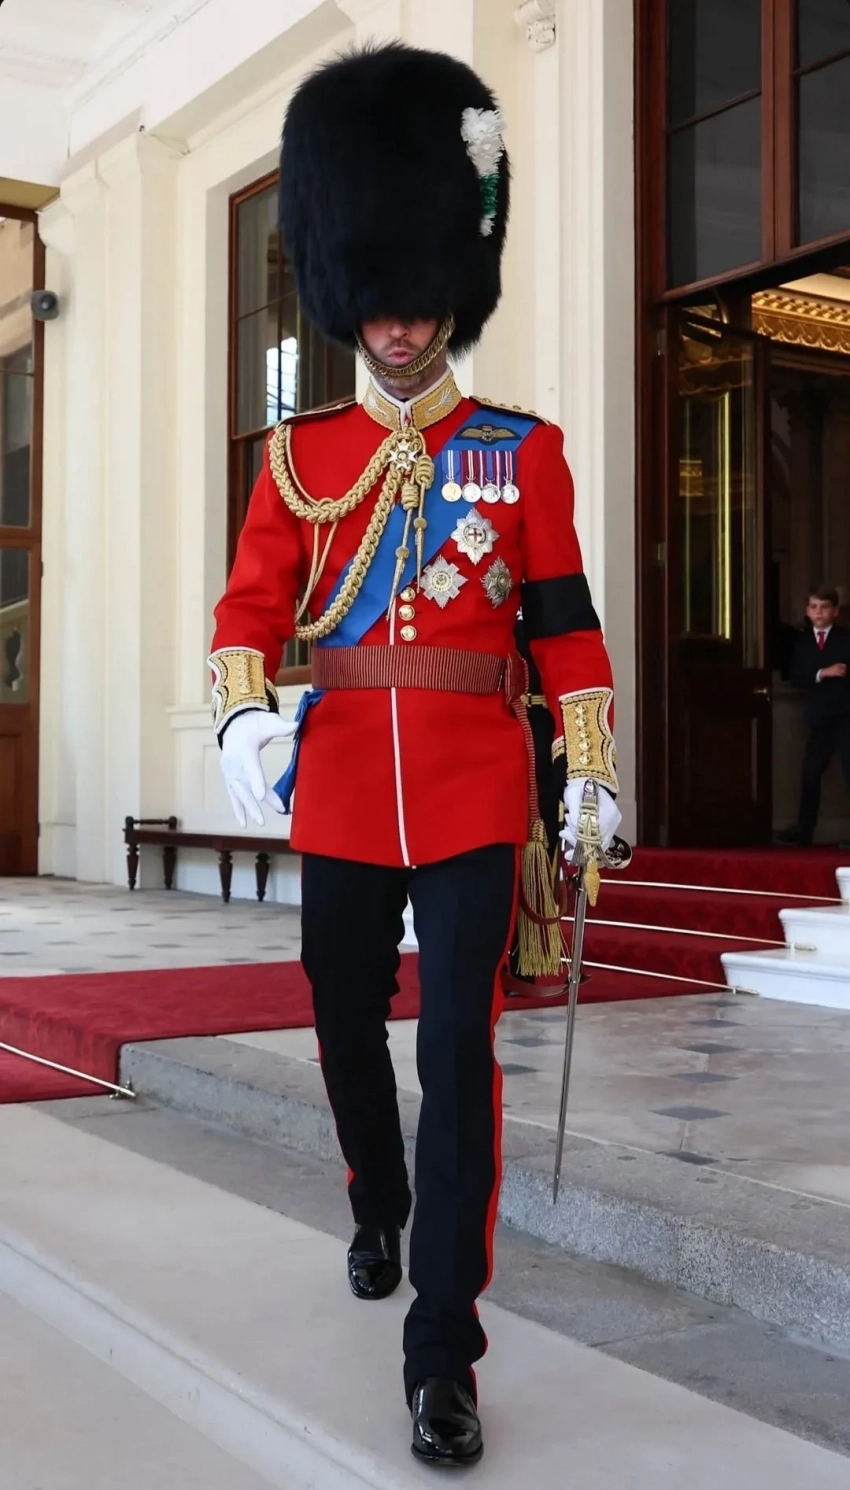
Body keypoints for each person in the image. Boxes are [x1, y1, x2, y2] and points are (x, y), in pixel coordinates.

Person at [208, 43, 620, 1468]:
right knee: (342, 1015)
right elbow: (248, 613)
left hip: (471, 791)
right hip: (334, 788)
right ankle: (375, 1197)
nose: (397, 324)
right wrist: (242, 713)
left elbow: (562, 623)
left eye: (419, 295)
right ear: (347, 294)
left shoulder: (522, 453)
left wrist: (588, 756)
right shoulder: (298, 458)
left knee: (457, 1047)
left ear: (455, 287)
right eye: (376, 298)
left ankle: (442, 1346)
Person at [780, 585, 850, 845]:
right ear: (807, 612)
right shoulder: (802, 643)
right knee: (810, 773)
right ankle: (804, 830)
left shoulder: (846, 639)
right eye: (814, 607)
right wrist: (823, 672)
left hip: (846, 714)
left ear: (835, 611)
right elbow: (796, 675)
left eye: (825, 607)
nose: (819, 612)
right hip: (819, 716)